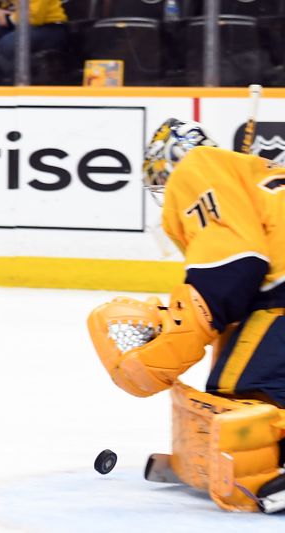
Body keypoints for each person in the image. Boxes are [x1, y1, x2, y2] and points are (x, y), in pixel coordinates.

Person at [87, 118, 285, 513]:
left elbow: (233, 273)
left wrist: (157, 357)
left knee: (242, 396)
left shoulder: (197, 168)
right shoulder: (250, 175)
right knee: (239, 372)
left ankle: (269, 463)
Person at [0, 0, 67, 85]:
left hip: (47, 26)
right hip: (16, 24)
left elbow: (35, 15)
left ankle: (7, 92)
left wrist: (7, 19)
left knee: (8, 45)